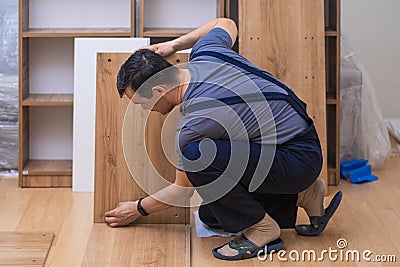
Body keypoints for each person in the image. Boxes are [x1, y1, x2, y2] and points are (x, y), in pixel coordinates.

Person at [105, 18, 343, 260]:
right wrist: (175, 45)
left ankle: (262, 229)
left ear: (158, 91)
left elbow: (182, 191)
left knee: (197, 156)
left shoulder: (196, 123)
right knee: (213, 216)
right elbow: (226, 23)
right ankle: (305, 193)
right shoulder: (207, 52)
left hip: (295, 159)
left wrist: (137, 209)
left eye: (141, 103)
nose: (145, 110)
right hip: (300, 145)